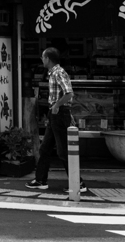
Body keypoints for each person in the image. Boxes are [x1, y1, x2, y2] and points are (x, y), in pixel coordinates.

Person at [27, 47, 87, 194]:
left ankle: (78, 183)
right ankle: (41, 180)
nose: (42, 60)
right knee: (45, 148)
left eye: (43, 57)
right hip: (54, 114)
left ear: (48, 59)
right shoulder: (54, 73)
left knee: (63, 151)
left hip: (59, 114)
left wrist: (57, 105)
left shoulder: (58, 73)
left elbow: (69, 93)